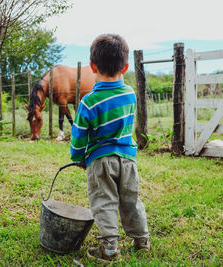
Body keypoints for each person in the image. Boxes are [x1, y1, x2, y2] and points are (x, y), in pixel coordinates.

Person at [70, 33, 150, 262]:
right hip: (128, 159)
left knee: (104, 201)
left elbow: (78, 135)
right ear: (125, 68)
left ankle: (110, 249)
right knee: (131, 200)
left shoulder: (88, 101)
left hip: (100, 161)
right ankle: (141, 239)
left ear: (92, 66)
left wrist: (78, 158)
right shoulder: (130, 94)